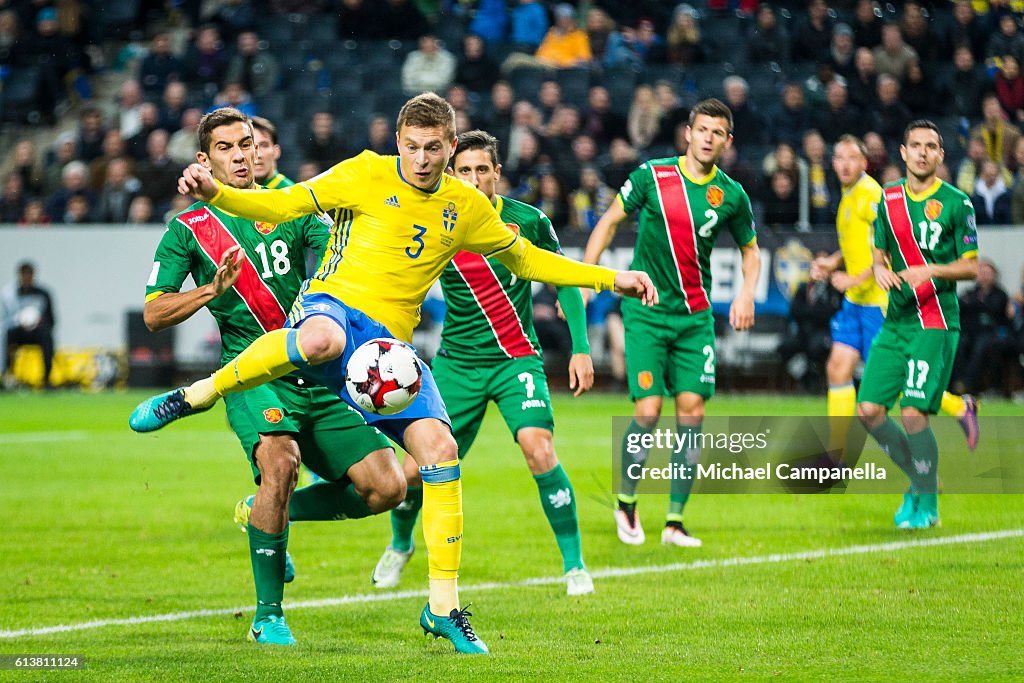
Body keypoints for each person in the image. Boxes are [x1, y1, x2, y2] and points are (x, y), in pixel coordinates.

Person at [130, 93, 656, 655]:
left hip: (384, 354)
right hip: (330, 308)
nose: (422, 159)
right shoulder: (363, 172)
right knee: (319, 341)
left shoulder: (466, 206)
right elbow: (286, 206)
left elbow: (526, 260)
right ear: (397, 143)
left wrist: (608, 278)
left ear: (451, 148)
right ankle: (201, 392)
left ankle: (444, 608)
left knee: (436, 451)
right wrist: (219, 194)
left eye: (434, 148)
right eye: (412, 147)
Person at [140, 108, 404, 646]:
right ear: (204, 159)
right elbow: (153, 314)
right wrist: (209, 291)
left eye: (248, 144)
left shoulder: (287, 209)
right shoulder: (188, 230)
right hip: (252, 374)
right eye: (228, 148)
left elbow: (342, 243)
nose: (243, 155)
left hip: (317, 370)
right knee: (280, 463)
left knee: (388, 488)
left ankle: (263, 515)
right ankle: (268, 616)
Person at [371, 130, 595, 597]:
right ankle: (399, 545)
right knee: (414, 471)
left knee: (539, 448)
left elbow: (565, 283)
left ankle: (574, 567)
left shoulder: (527, 221)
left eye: (482, 170)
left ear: (498, 173)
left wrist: (580, 347)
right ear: (453, 173)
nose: (473, 179)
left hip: (516, 361)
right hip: (457, 365)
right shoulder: (435, 222)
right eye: (464, 170)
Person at [584, 98, 761, 548]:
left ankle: (675, 521)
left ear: (727, 141)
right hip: (645, 313)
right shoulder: (651, 175)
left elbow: (750, 250)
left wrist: (744, 292)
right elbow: (608, 222)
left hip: (694, 318)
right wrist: (590, 275)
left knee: (693, 413)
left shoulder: (731, 195)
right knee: (648, 410)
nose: (707, 138)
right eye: (701, 129)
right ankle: (626, 504)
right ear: (688, 132)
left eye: (717, 133)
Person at [812, 135, 978, 465]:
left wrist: (852, 277)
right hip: (856, 301)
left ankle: (957, 410)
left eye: (852, 157)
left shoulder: (874, 196)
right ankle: (837, 457)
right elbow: (860, 248)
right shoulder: (848, 197)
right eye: (839, 157)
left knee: (901, 382)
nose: (844, 163)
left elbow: (889, 252)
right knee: (837, 369)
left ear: (864, 162)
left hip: (880, 302)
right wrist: (834, 262)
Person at [857, 120, 979, 530]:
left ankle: (928, 505)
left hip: (936, 320)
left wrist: (932, 270)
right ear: (903, 153)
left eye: (931, 146)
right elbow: (879, 252)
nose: (923, 152)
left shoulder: (957, 203)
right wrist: (878, 270)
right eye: (916, 145)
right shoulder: (888, 200)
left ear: (941, 156)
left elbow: (973, 267)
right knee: (868, 410)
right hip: (896, 321)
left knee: (912, 413)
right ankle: (920, 480)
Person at [2, 262, 56, 389]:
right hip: (19, 331)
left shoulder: (43, 294)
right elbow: (6, 318)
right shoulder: (12, 296)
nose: (27, 277)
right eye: (24, 274)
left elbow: (51, 319)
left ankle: (46, 378)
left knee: (47, 336)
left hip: (37, 331)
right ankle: (7, 376)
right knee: (6, 335)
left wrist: (40, 322)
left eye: (29, 274)